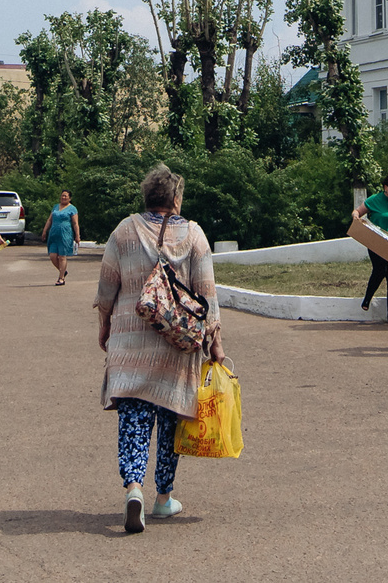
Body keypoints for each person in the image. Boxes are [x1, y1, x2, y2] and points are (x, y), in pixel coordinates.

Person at [95, 162, 224, 534]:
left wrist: (104, 327)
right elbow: (209, 298)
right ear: (176, 199)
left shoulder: (124, 231)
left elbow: (106, 289)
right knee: (170, 421)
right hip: (177, 349)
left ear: (147, 196)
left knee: (134, 419)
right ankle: (163, 498)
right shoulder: (195, 237)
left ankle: (133, 487)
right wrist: (216, 344)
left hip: (130, 344)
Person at [360, 176, 388, 323]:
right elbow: (357, 212)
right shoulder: (374, 200)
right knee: (379, 270)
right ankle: (367, 299)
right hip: (377, 241)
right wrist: (356, 217)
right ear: (385, 187)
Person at [46, 189, 81, 285]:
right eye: (62, 195)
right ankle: (63, 271)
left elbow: (75, 223)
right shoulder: (56, 207)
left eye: (65, 196)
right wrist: (45, 231)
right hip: (54, 235)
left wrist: (77, 236)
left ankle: (61, 278)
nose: (63, 197)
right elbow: (50, 220)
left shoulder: (72, 209)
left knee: (62, 256)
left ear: (70, 198)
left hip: (65, 235)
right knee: (53, 256)